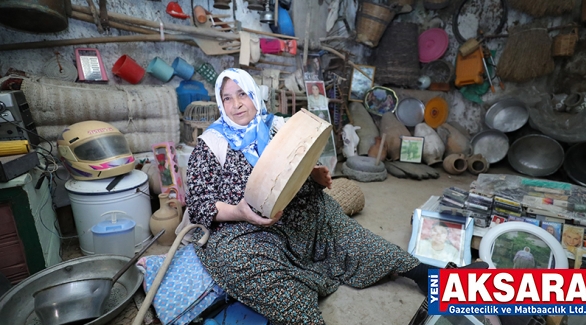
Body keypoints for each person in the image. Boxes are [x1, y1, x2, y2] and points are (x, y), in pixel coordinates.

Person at [186, 68, 486, 324]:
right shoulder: (211, 144)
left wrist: (315, 177)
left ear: (254, 95)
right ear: (220, 102)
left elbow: (295, 172)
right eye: (227, 98)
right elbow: (199, 204)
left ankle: (434, 280)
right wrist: (240, 212)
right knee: (247, 266)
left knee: (352, 235)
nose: (236, 104)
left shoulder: (278, 126)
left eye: (242, 94)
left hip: (301, 217)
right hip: (246, 230)